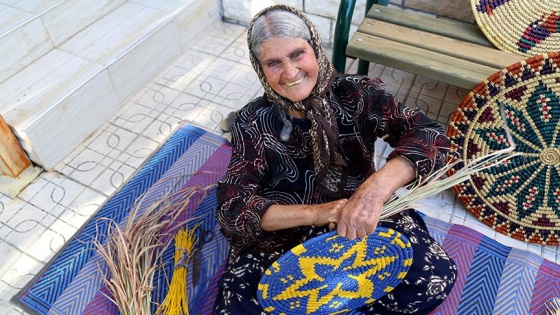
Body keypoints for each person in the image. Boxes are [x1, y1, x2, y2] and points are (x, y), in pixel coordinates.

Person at [214, 5, 456, 314]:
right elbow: (232, 208)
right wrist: (319, 213)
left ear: (315, 48)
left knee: (432, 276)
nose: (290, 73)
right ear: (260, 68)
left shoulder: (358, 94)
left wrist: (374, 190)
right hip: (287, 231)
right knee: (240, 304)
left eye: (297, 54)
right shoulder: (252, 122)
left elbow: (431, 136)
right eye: (273, 62)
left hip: (360, 217)